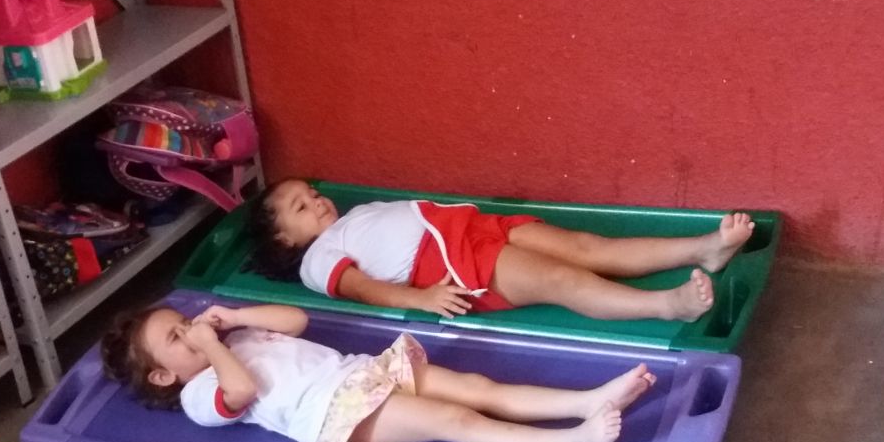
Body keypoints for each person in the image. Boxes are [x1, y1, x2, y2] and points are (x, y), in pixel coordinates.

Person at [101, 302, 657, 442]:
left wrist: (235, 317)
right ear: (163, 375)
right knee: (456, 421)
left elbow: (296, 320)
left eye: (185, 321)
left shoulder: (236, 335)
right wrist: (214, 346)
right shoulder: (197, 395)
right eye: (177, 338)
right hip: (340, 412)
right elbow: (240, 391)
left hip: (364, 371)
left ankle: (588, 400)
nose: (191, 331)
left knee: (477, 386)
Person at [247, 179, 756, 323]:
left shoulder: (350, 217)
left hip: (471, 228)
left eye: (312, 193)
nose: (316, 201)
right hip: (451, 264)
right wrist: (419, 299)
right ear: (284, 240)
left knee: (586, 247)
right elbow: (358, 287)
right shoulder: (316, 259)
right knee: (561, 280)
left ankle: (703, 249)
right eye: (300, 206)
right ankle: (668, 306)